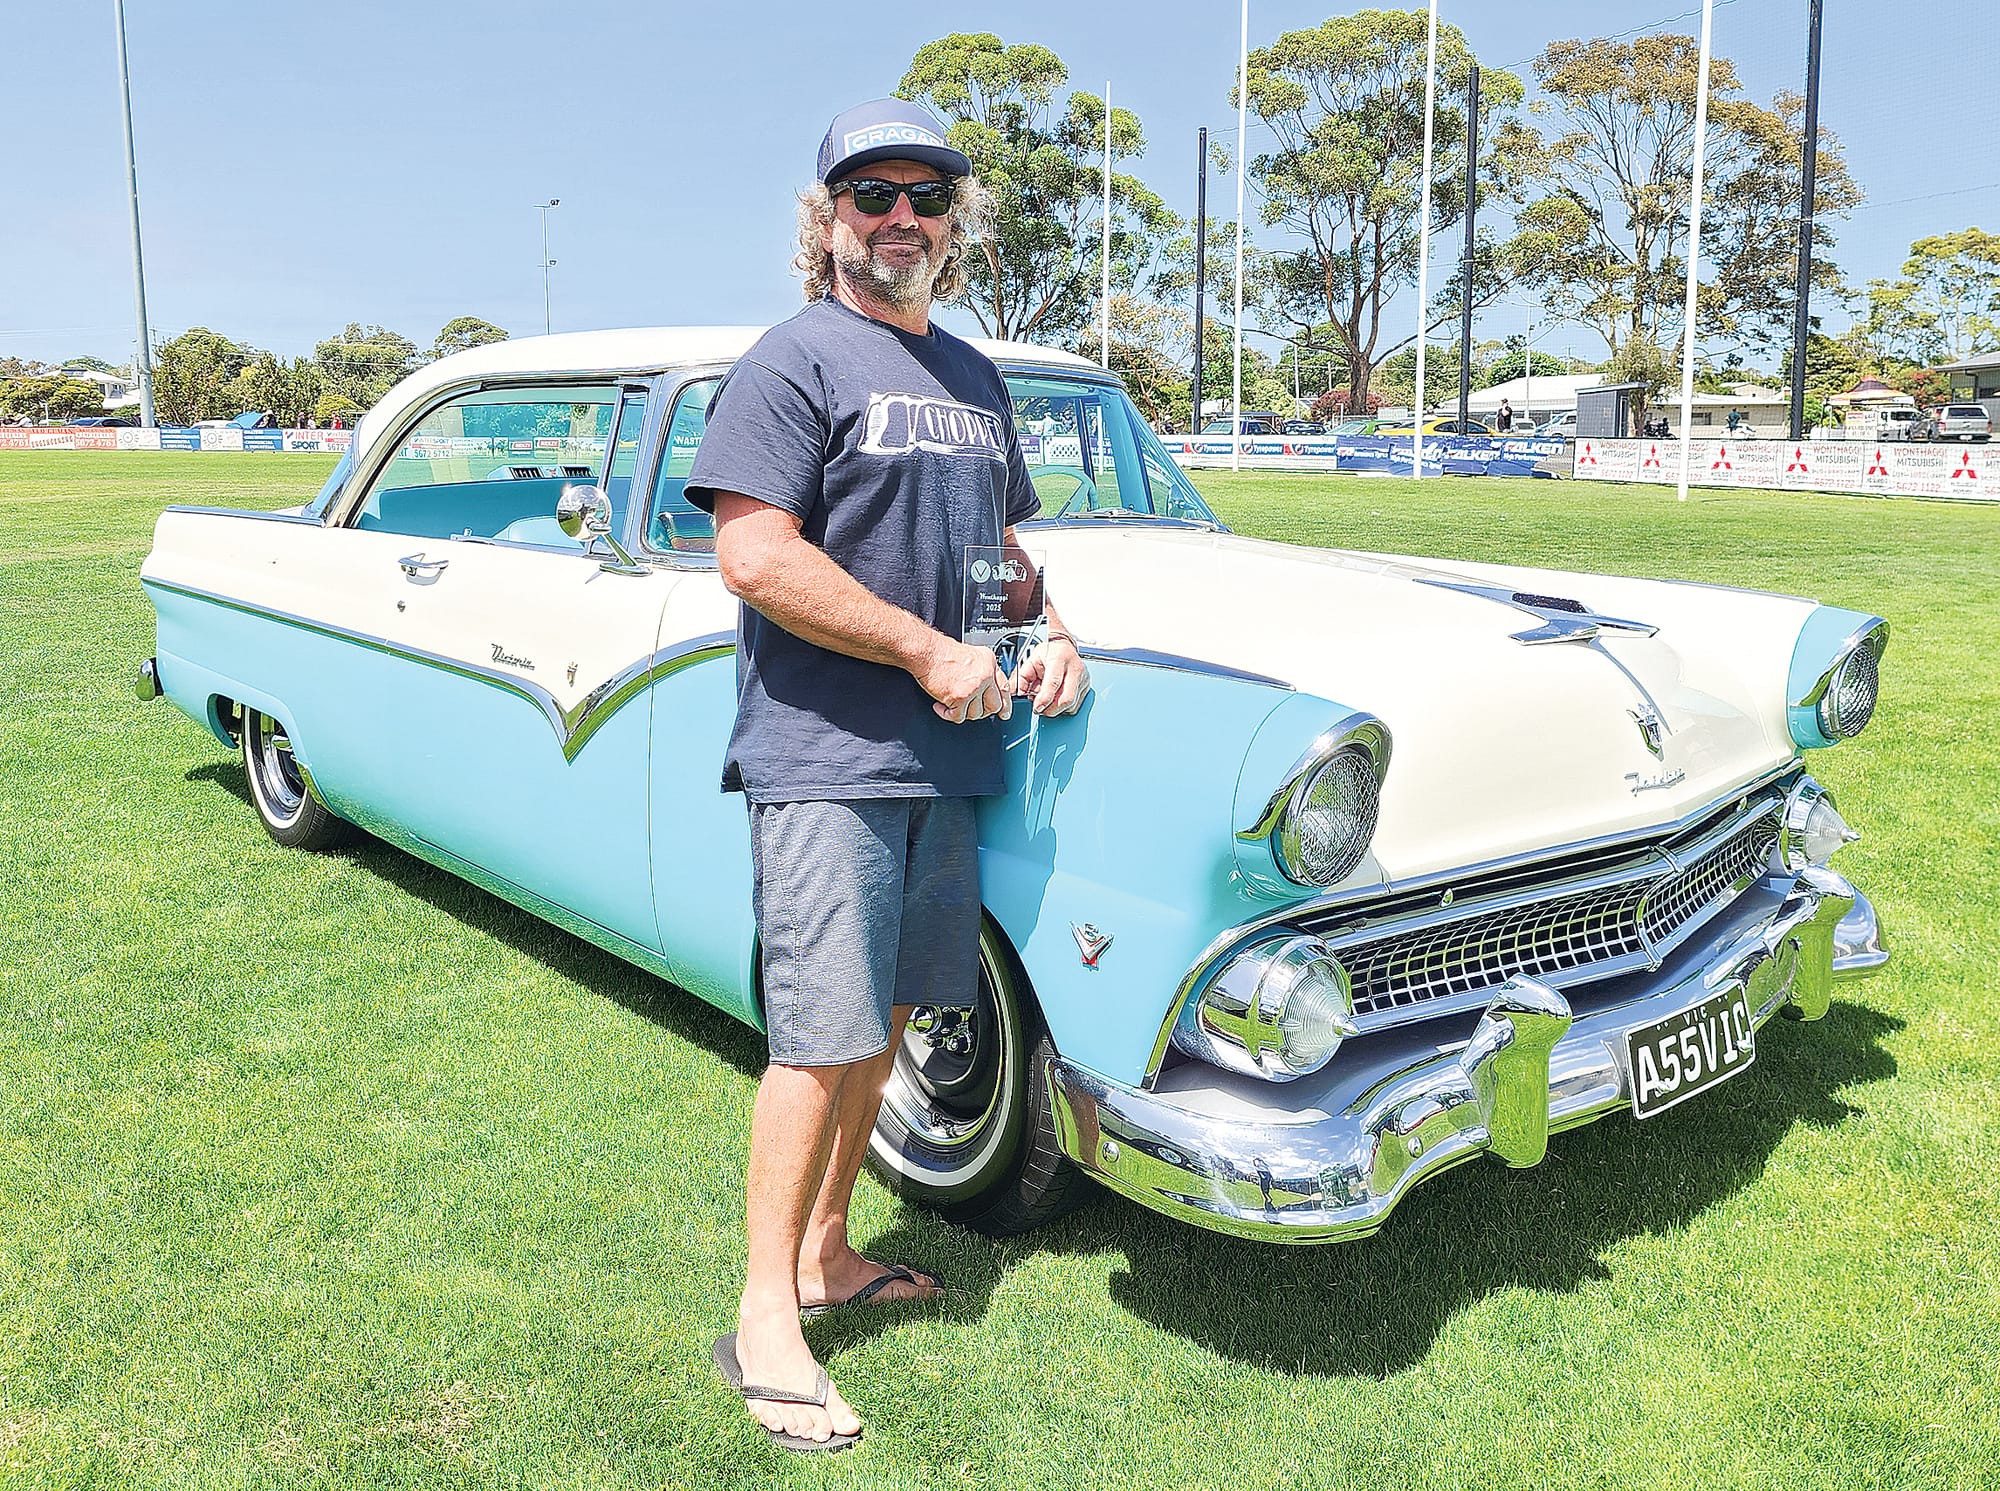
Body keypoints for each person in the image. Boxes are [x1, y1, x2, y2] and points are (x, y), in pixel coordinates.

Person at [684, 98, 1090, 1454]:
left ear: (955, 222)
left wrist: (1052, 630)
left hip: (947, 756)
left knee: (886, 1022)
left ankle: (831, 1251)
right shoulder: (793, 360)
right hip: (829, 756)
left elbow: (1003, 552)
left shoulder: (974, 377)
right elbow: (753, 555)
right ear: (829, 222)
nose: (900, 218)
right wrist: (923, 650)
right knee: (815, 1036)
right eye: (872, 196)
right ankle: (763, 1319)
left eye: (926, 196)